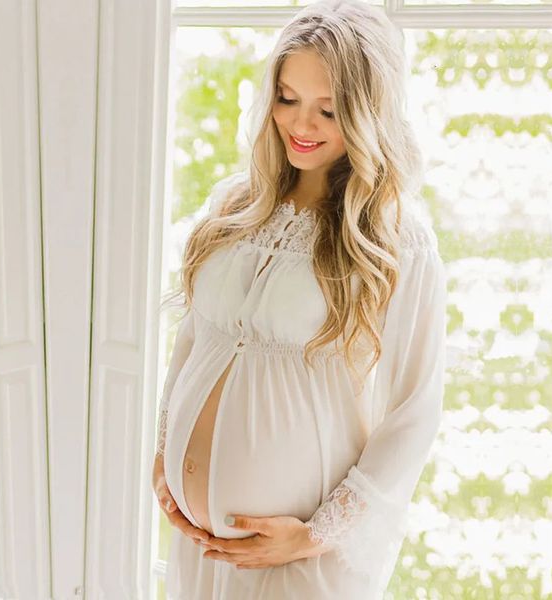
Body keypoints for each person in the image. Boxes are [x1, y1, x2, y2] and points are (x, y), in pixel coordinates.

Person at [151, 0, 447, 597]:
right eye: (287, 98)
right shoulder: (236, 206)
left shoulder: (396, 237)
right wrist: (165, 457)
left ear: (368, 115)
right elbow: (195, 340)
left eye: (328, 110)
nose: (301, 125)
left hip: (297, 563)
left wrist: (315, 535)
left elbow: (415, 411)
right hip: (199, 550)